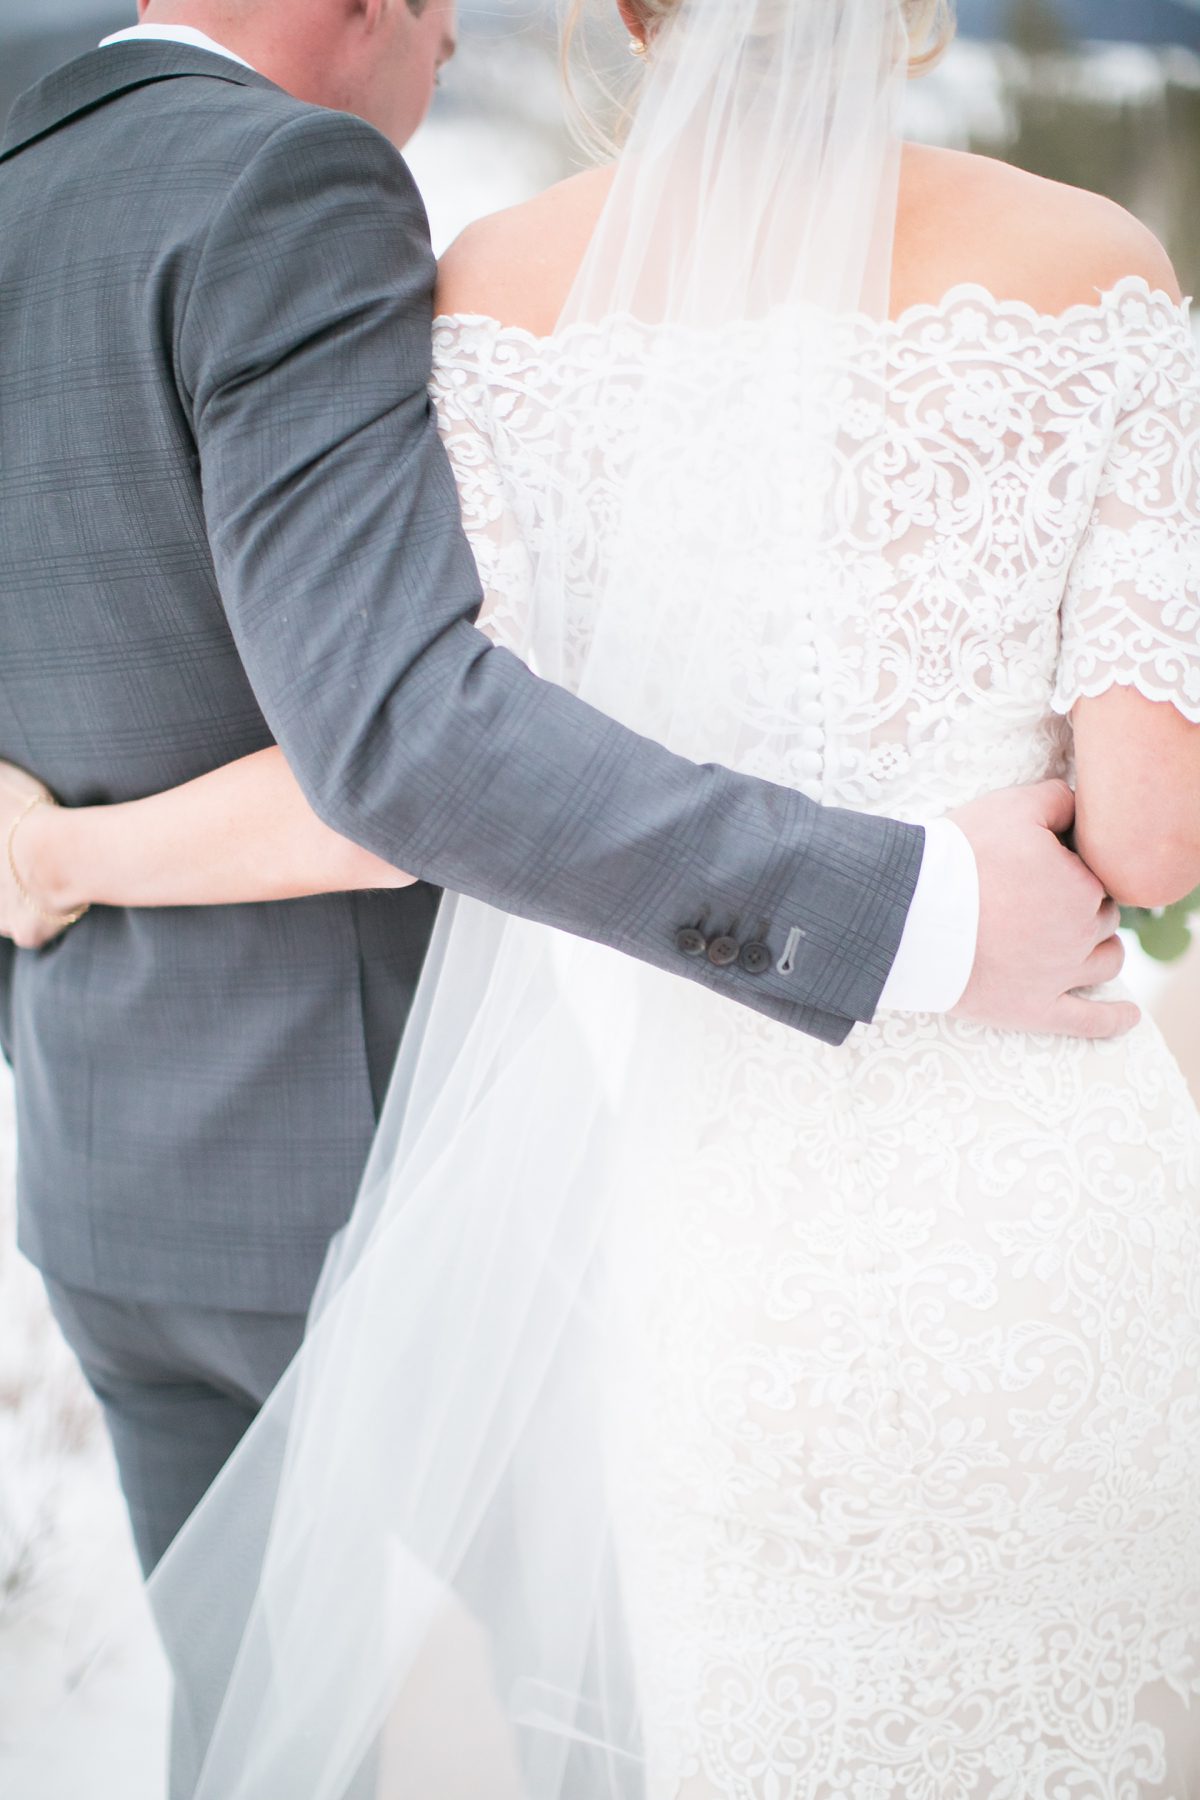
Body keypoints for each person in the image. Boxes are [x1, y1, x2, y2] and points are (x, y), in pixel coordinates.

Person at [6, 0, 1198, 1793]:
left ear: (623, 15)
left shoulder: (485, 277)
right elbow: (1152, 840)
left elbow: (405, 760)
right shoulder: (1097, 265)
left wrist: (61, 855)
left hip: (539, 1191)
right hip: (1002, 1173)